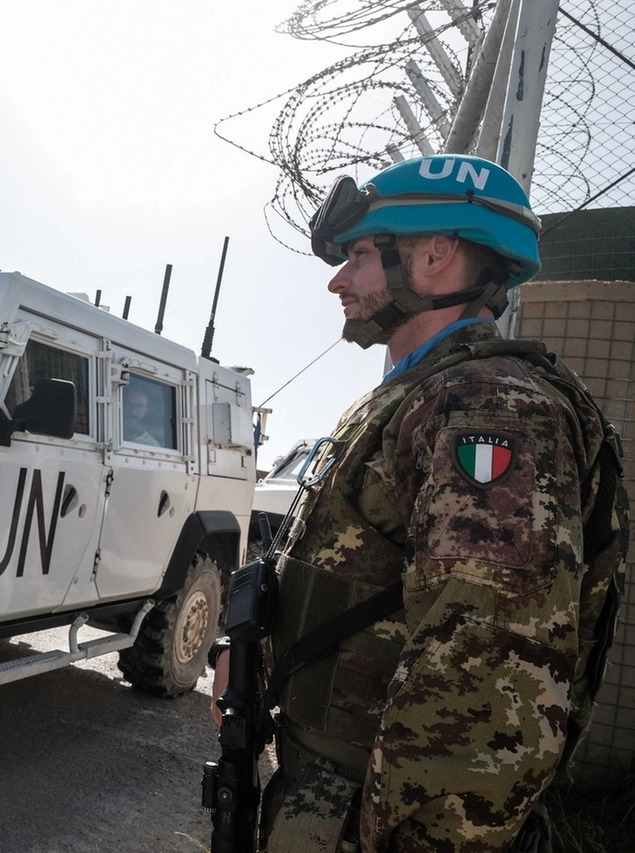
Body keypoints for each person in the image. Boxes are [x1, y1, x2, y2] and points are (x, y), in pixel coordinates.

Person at [211, 154, 628, 852]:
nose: (337, 279)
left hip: (383, 817)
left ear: (434, 254)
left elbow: (485, 669)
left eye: (360, 255)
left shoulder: (490, 405)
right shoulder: (422, 395)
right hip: (332, 792)